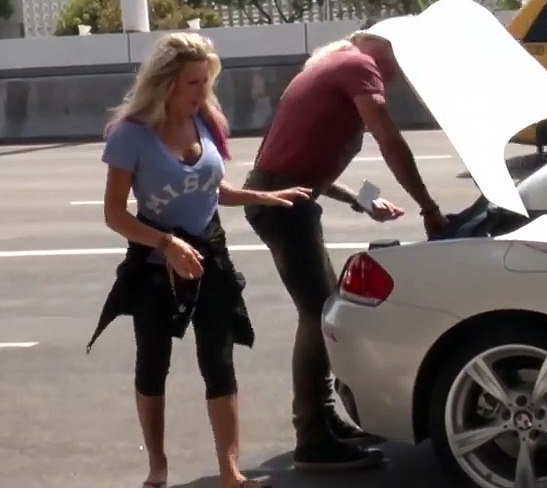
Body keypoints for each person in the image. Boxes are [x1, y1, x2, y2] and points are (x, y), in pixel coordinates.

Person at [85, 32, 312, 488]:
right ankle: (157, 466)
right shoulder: (132, 134)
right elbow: (114, 215)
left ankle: (230, 470)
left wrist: (263, 196)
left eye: (206, 82)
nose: (201, 93)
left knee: (219, 359)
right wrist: (167, 245)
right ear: (166, 82)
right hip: (154, 262)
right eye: (192, 83)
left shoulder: (206, 121)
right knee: (153, 363)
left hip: (210, 253)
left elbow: (211, 191)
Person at [242, 25, 448, 471]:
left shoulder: (328, 67)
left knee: (325, 308)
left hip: (283, 196)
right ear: (385, 50)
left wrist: (364, 199)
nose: (398, 77)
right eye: (401, 63)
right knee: (318, 314)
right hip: (282, 202)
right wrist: (429, 208)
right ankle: (312, 437)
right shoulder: (359, 66)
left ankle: (322, 420)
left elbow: (306, 158)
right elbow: (389, 140)